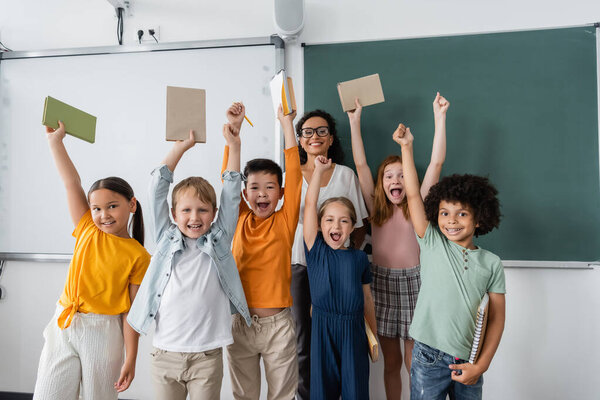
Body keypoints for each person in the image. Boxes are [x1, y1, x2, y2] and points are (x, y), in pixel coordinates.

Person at [127, 124, 251, 399]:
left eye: (203, 210)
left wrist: (234, 145)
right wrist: (180, 147)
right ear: (173, 213)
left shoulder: (219, 238)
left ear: (214, 213)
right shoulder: (165, 238)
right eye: (186, 210)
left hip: (207, 355)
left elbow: (231, 192)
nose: (194, 217)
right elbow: (156, 189)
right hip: (165, 354)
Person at [34, 121, 151, 400]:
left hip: (103, 331)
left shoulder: (139, 255)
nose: (103, 215)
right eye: (97, 208)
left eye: (112, 206)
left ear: (131, 205)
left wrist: (131, 358)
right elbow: (71, 182)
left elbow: (131, 314)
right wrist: (55, 142)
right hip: (64, 321)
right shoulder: (87, 227)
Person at [348, 93, 449, 398]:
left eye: (403, 175)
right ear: (381, 184)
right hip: (380, 286)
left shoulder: (419, 206)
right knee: (391, 364)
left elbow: (436, 161)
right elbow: (361, 164)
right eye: (389, 176)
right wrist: (355, 122)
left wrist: (439, 118)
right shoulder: (375, 208)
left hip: (416, 286)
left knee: (414, 363)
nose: (396, 180)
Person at [395, 123, 505, 400]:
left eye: (462, 214)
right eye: (444, 213)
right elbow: (411, 195)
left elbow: (497, 320)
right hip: (428, 356)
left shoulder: (492, 263)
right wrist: (406, 148)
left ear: (479, 219)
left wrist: (480, 366)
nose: (451, 221)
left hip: (469, 359)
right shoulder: (431, 241)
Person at [223, 103, 301, 400]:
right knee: (245, 396)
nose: (262, 194)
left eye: (270, 187)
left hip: (278, 326)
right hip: (239, 324)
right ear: (245, 194)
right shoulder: (239, 217)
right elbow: (228, 183)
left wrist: (286, 125)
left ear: (280, 193)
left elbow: (294, 174)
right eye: (254, 188)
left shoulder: (284, 221)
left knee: (282, 395)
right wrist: (234, 136)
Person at [291, 109, 368, 399]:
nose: (315, 136)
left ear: (331, 138)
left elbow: (359, 224)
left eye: (322, 131)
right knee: (304, 341)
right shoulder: (290, 175)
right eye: (308, 132)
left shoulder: (346, 175)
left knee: (339, 341)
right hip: (300, 264)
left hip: (336, 268)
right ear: (299, 140)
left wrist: (342, 263)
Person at [303, 155, 377, 399]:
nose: (336, 225)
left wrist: (373, 336)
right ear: (320, 224)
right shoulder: (316, 250)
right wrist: (318, 171)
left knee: (354, 390)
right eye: (330, 220)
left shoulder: (358, 259)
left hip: (353, 329)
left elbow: (367, 299)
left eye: (344, 221)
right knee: (323, 390)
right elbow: (311, 201)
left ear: (352, 226)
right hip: (323, 329)